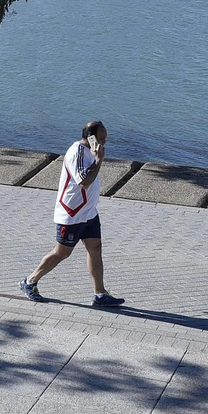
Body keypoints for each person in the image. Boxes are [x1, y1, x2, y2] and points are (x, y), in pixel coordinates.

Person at [20, 121, 124, 307]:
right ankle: (29, 281)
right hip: (72, 213)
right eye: (101, 139)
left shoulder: (91, 152)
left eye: (105, 140)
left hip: (89, 212)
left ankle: (100, 294)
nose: (104, 143)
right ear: (90, 138)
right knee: (62, 253)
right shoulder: (76, 152)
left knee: (95, 248)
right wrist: (99, 160)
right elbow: (84, 182)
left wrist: (96, 157)